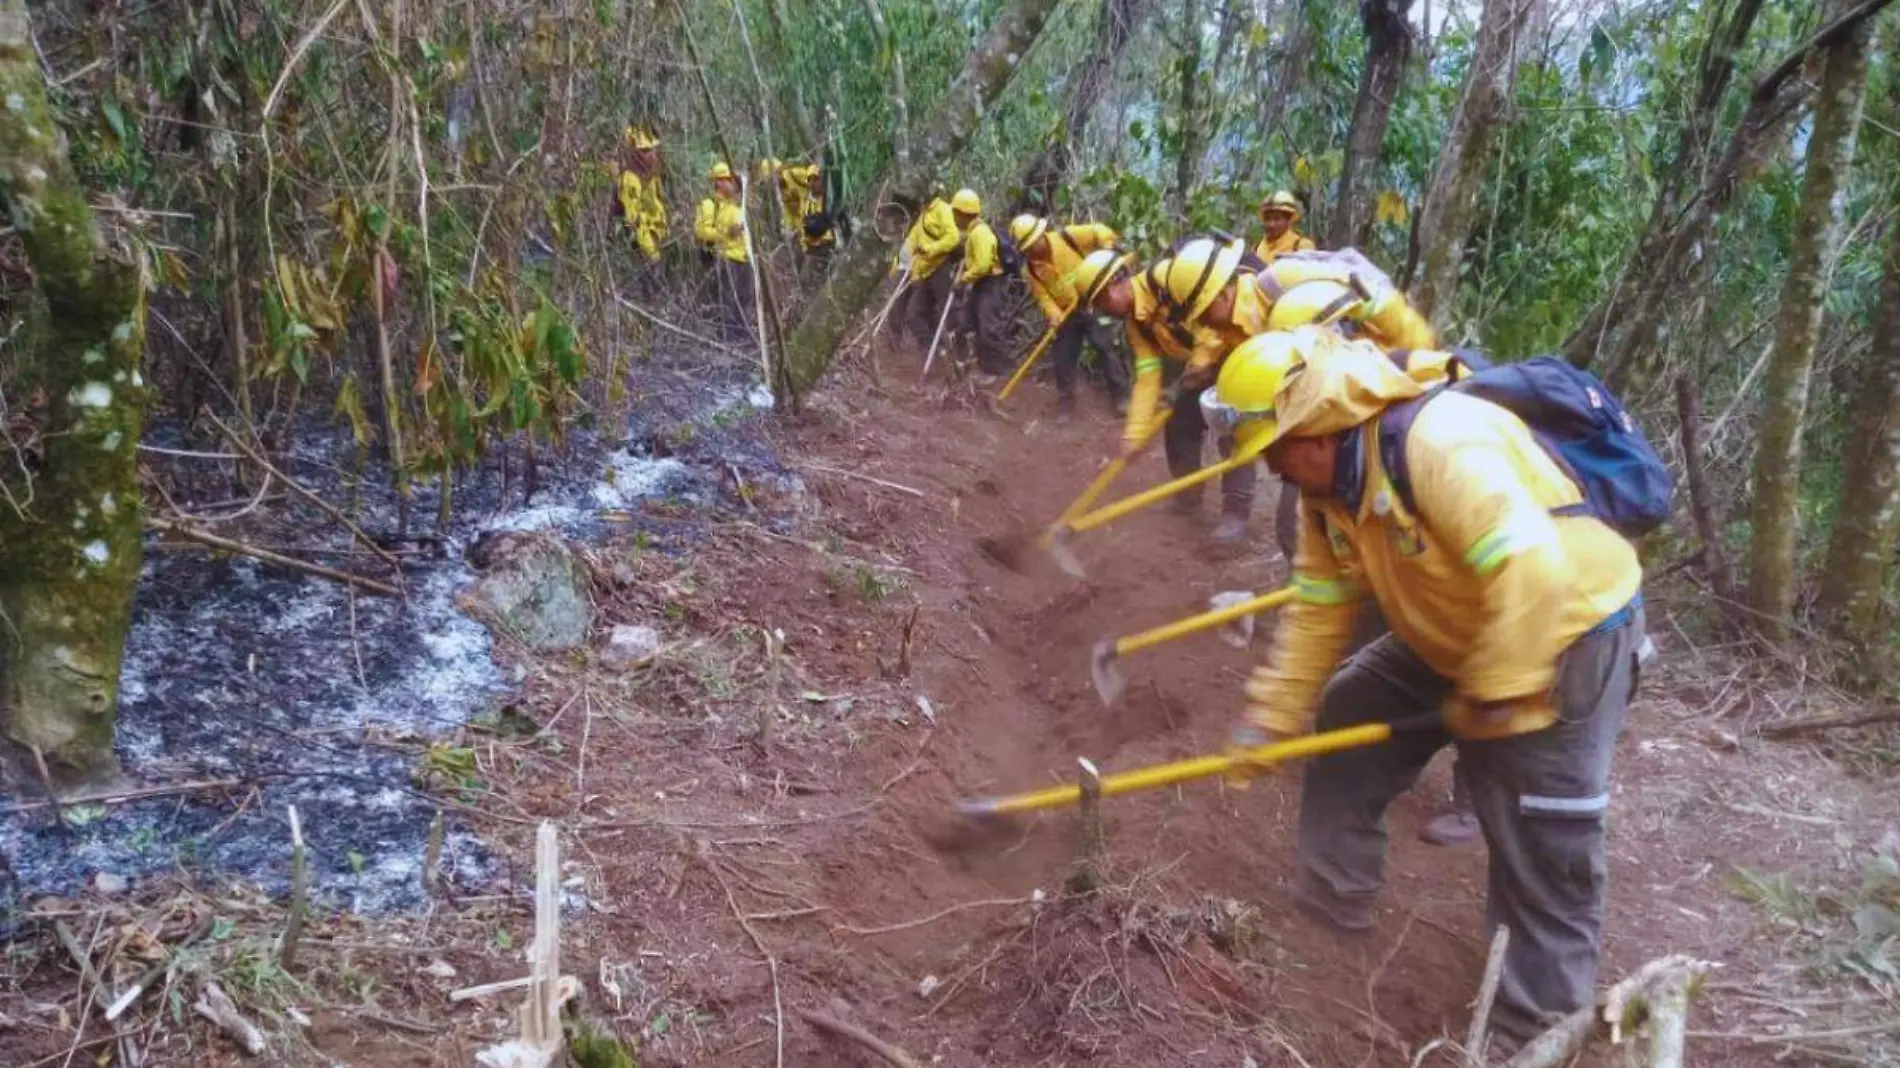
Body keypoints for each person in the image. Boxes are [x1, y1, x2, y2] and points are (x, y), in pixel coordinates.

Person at [1213, 328, 1646, 1046]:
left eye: (1272, 452)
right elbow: (1320, 610)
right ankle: (1329, 913)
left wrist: (1498, 688)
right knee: (1349, 709)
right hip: (1456, 627)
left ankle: (1531, 1035)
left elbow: (1531, 570)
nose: (1269, 472)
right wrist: (1272, 718)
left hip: (1567, 629)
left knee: (1541, 841)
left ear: (1312, 426)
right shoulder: (1328, 495)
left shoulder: (1437, 444)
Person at [1007, 213, 1129, 414]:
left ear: (1040, 235)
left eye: (1031, 244)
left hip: (1093, 302)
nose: (1030, 250)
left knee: (1105, 346)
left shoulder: (1068, 237)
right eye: (1025, 248)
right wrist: (1053, 313)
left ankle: (1121, 398)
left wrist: (1107, 251)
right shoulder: (1031, 270)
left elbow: (1101, 231)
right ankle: (1066, 404)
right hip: (1067, 313)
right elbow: (1042, 296)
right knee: (1063, 355)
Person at [897, 192, 966, 349]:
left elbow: (953, 238)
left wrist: (931, 249)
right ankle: (932, 351)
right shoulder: (924, 214)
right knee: (914, 314)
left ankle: (959, 354)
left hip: (942, 268)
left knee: (949, 315)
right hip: (925, 271)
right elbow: (912, 241)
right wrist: (903, 262)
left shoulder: (944, 210)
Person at [694, 162, 752, 341]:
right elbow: (701, 232)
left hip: (744, 257)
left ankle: (742, 332)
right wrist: (726, 233)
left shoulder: (736, 205)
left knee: (745, 296)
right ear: (718, 182)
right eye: (728, 180)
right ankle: (727, 335)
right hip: (727, 257)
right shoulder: (709, 205)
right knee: (728, 298)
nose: (732, 184)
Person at [955, 202, 1010, 377]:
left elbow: (983, 265)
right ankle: (968, 365)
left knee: (989, 329)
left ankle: (997, 372)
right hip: (981, 283)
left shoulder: (981, 232)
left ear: (963, 214)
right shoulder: (974, 232)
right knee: (966, 323)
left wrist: (963, 280)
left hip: (992, 282)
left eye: (956, 214)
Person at [615, 127, 669, 268]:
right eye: (645, 151)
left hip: (656, 244)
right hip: (636, 252)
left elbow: (657, 207)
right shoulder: (629, 179)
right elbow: (634, 220)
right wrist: (651, 253)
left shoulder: (651, 178)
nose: (651, 155)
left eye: (652, 150)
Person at [1255, 190, 1316, 263]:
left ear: (1289, 220)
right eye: (1267, 219)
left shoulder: (1301, 246)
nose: (1271, 224)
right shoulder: (1257, 248)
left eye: (1277, 219)